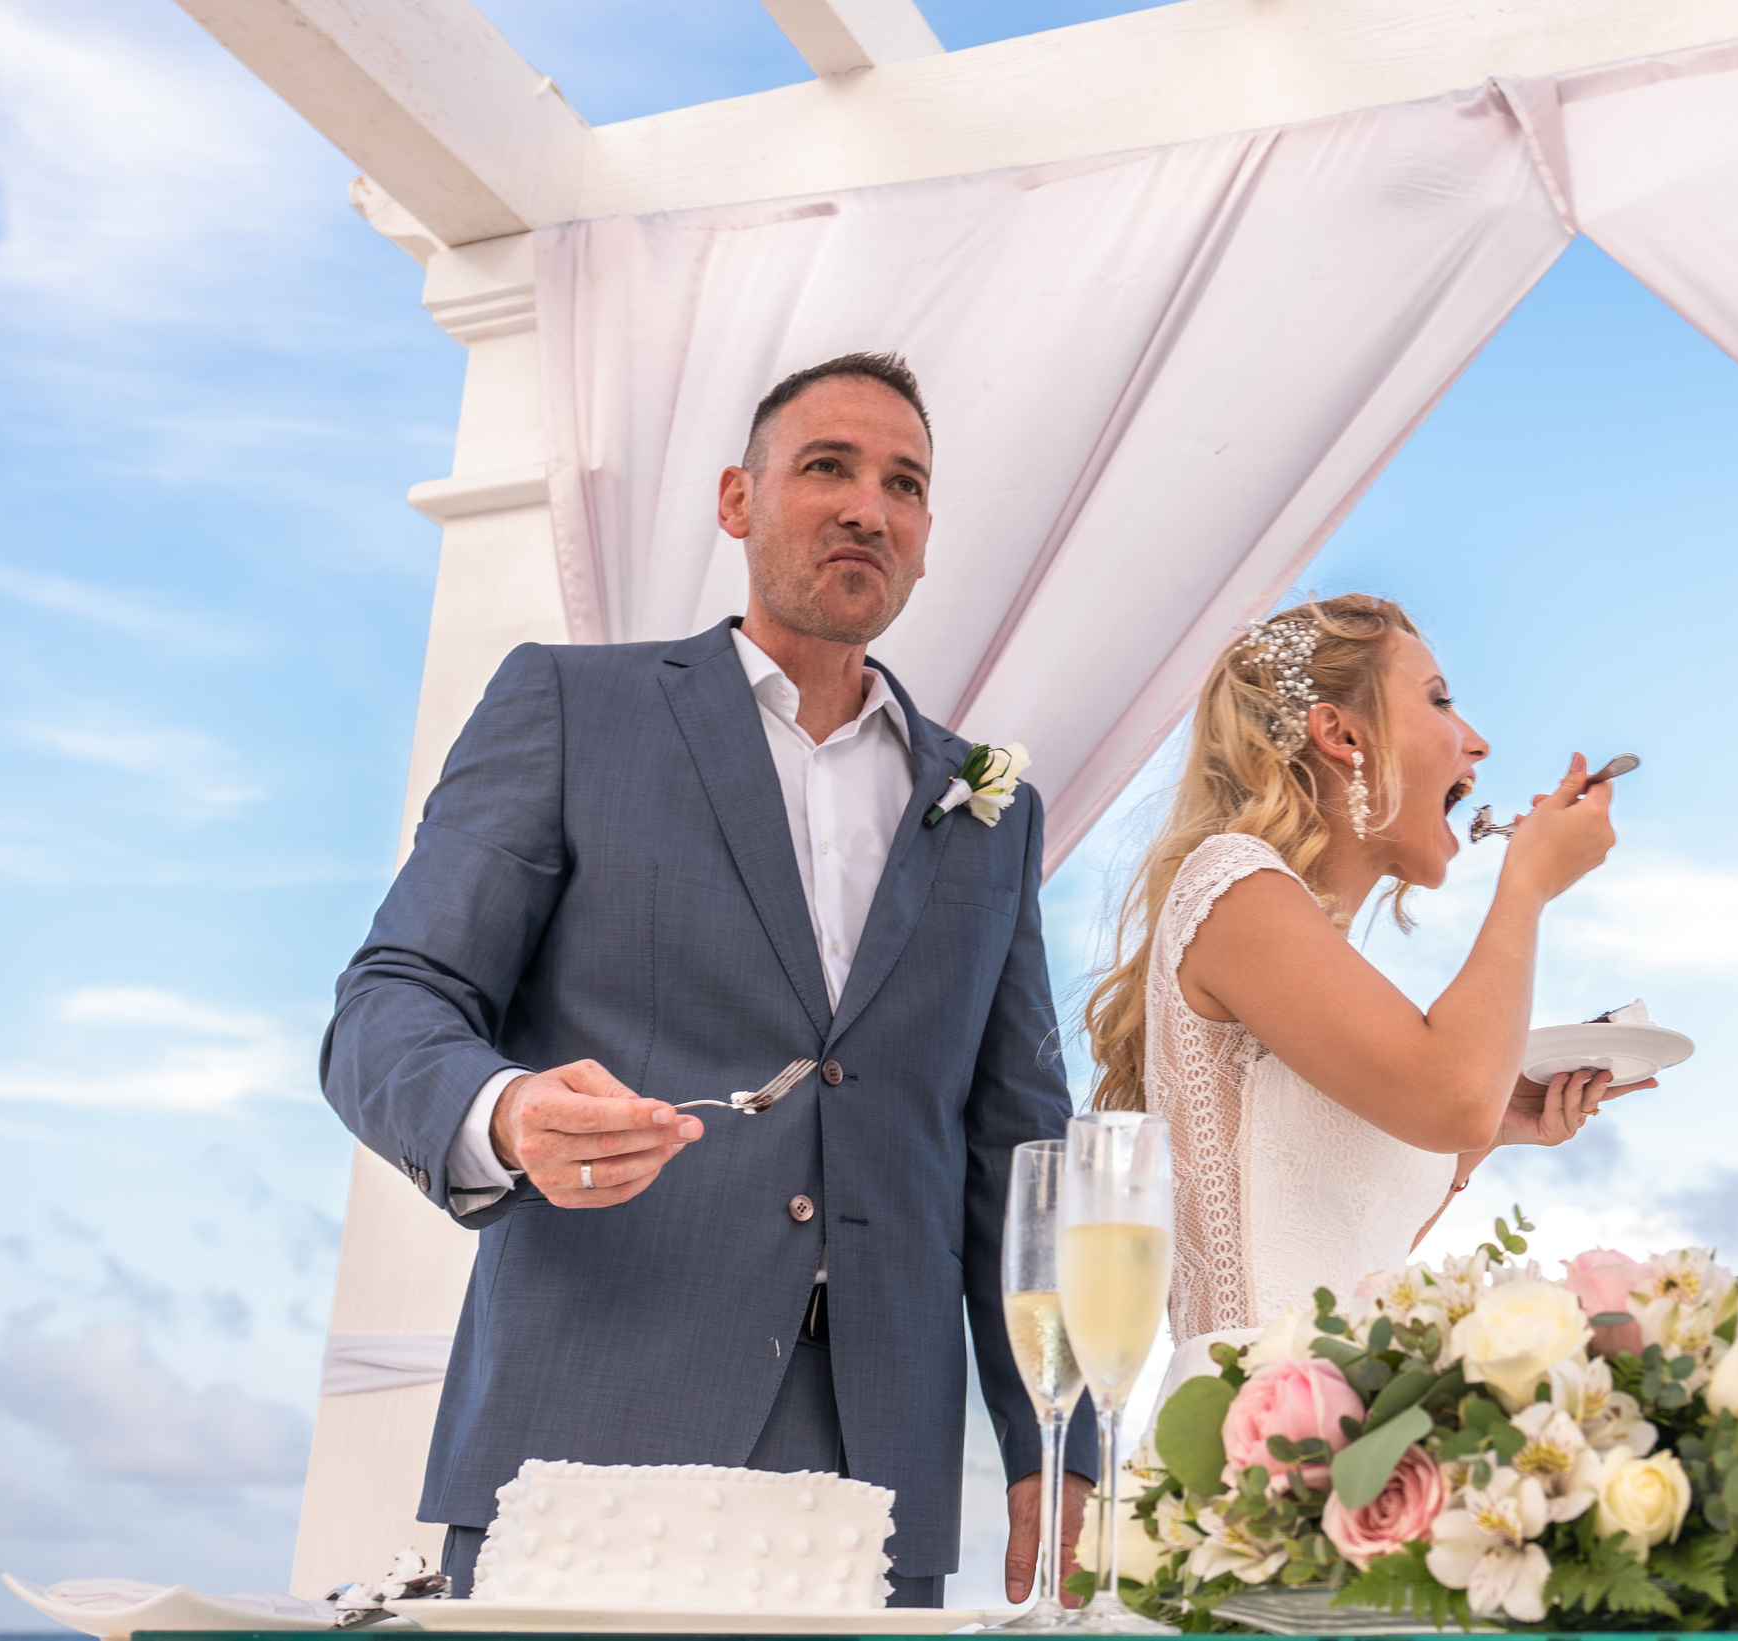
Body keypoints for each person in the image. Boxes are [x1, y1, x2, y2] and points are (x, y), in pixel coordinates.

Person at [322, 353, 1092, 1608]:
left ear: (926, 532)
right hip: (585, 1442)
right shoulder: (572, 708)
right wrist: (505, 1115)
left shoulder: (989, 808)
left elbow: (1019, 1152)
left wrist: (1051, 1445)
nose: (867, 507)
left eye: (903, 483)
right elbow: (392, 999)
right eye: (827, 468)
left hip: (875, 1482)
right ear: (737, 500)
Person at [1083, 594, 1644, 1390]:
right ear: (1341, 733)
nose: (1477, 741)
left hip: (1331, 1413)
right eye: (1441, 700)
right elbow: (1449, 1095)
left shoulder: (1299, 944)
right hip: (1243, 1418)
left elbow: (1348, 1268)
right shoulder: (1233, 881)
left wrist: (1485, 1127)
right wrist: (1528, 883)